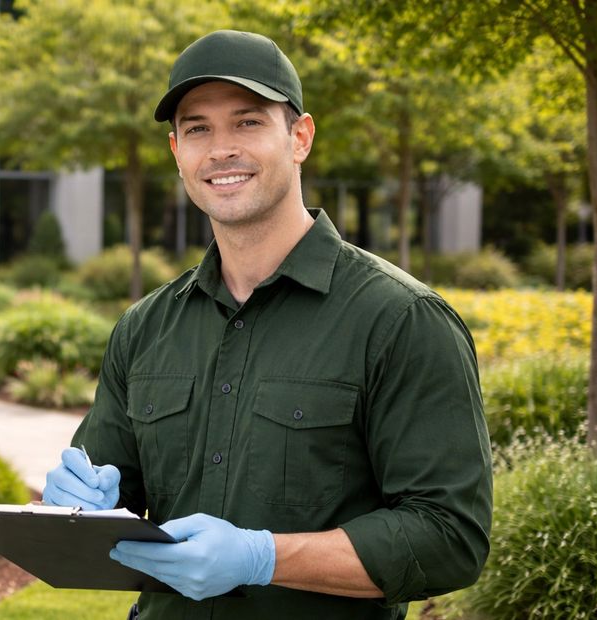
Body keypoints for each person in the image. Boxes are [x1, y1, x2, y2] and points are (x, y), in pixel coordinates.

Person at [42, 30, 492, 620]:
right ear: (176, 149)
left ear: (299, 137)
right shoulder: (145, 326)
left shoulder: (402, 320)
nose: (220, 148)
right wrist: (82, 506)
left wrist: (264, 557)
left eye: (248, 122)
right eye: (197, 128)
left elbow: (450, 537)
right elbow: (112, 496)